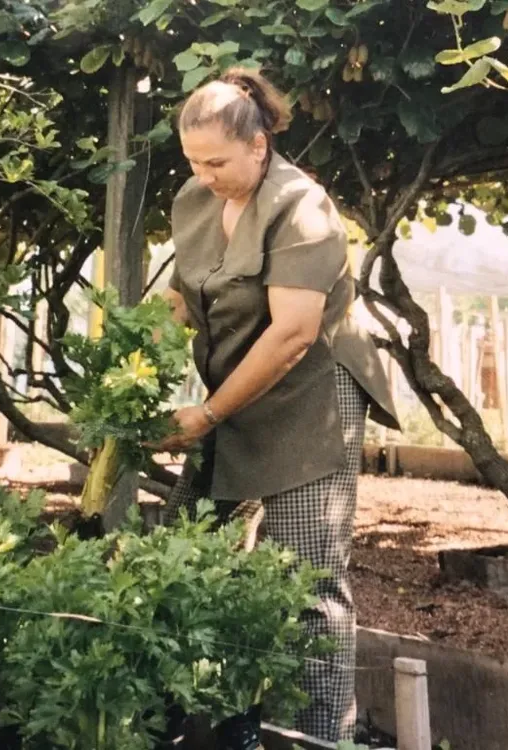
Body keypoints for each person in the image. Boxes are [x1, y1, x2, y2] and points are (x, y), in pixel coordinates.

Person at [157, 67, 399, 743]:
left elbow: (292, 335)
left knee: (306, 585)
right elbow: (182, 296)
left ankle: (320, 737)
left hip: (305, 400)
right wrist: (130, 359)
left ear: (259, 146)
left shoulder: (304, 207)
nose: (204, 174)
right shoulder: (195, 198)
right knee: (201, 561)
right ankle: (232, 725)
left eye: (217, 161)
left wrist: (205, 414)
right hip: (237, 394)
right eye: (192, 161)